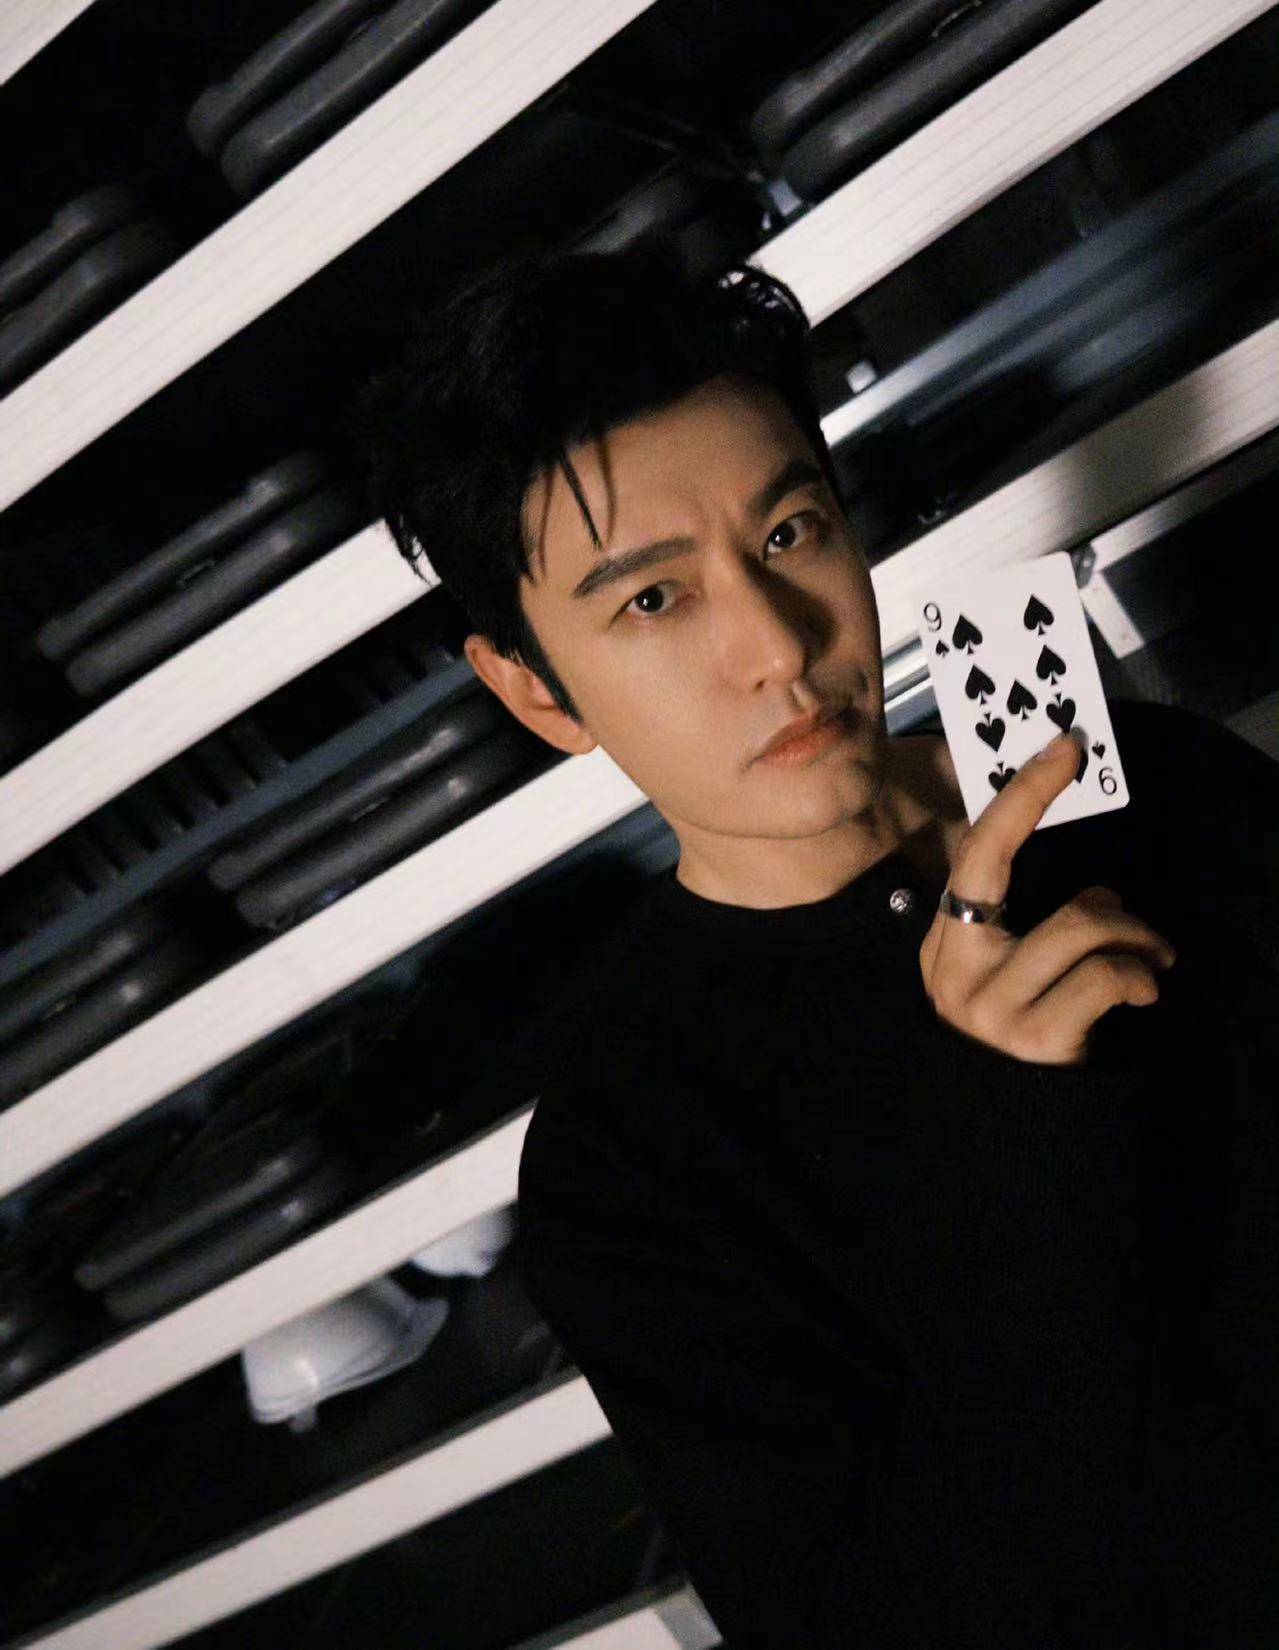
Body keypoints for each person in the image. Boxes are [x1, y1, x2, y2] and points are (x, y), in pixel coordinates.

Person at [357, 238, 1279, 1647]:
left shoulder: (1138, 772)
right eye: (654, 598)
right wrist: (1018, 1133)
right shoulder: (626, 1162)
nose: (781, 647)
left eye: (789, 534)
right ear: (535, 690)